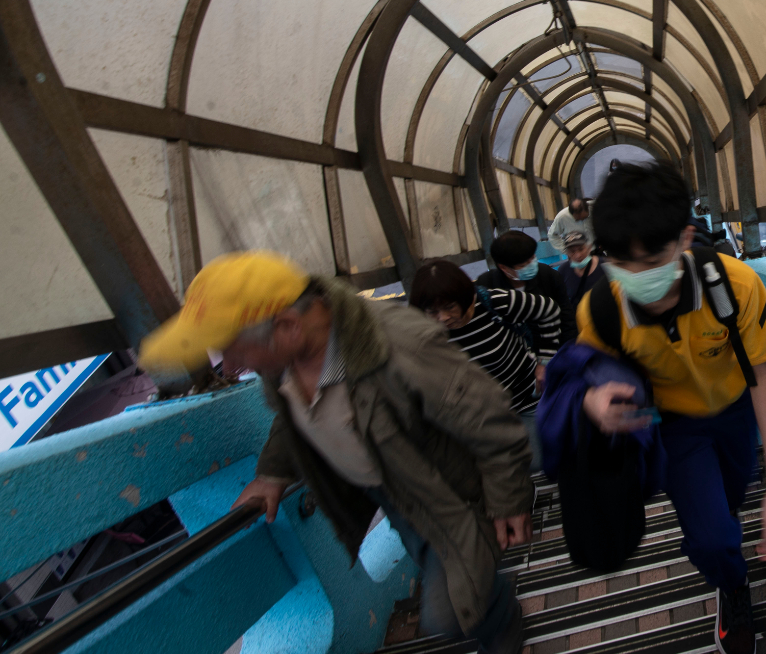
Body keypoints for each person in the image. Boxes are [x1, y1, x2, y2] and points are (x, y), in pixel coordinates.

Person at [137, 251, 531, 654]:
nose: (232, 364)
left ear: (288, 326)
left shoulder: (400, 345)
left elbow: (489, 417)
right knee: (447, 577)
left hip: (449, 496)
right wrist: (272, 473)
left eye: (231, 348)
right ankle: (492, 607)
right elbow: (296, 416)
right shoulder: (284, 363)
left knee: (449, 613)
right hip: (392, 496)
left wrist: (509, 499)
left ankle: (504, 622)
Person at [575, 162, 766, 654]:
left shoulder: (735, 287)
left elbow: (761, 373)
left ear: (685, 238)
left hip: (735, 415)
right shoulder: (600, 310)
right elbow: (583, 375)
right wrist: (592, 401)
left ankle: (722, 524)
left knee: (733, 498)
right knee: (713, 536)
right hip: (672, 427)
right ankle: (732, 583)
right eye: (621, 262)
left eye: (652, 260)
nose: (637, 277)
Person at [410, 259, 560, 471]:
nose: (443, 318)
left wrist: (545, 361)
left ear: (465, 297)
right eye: (432, 312)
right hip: (481, 417)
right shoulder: (422, 330)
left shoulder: (494, 303)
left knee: (536, 461)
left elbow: (549, 310)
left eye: (450, 307)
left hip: (525, 401)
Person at [477, 230, 575, 346]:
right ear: (503, 267)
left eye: (532, 258)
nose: (531, 265)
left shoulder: (548, 276)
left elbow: (566, 315)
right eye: (523, 265)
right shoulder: (487, 286)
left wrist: (567, 348)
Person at [556, 231, 605, 305]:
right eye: (572, 251)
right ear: (567, 253)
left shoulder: (604, 266)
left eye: (581, 249)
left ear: (589, 248)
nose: (578, 255)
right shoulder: (563, 270)